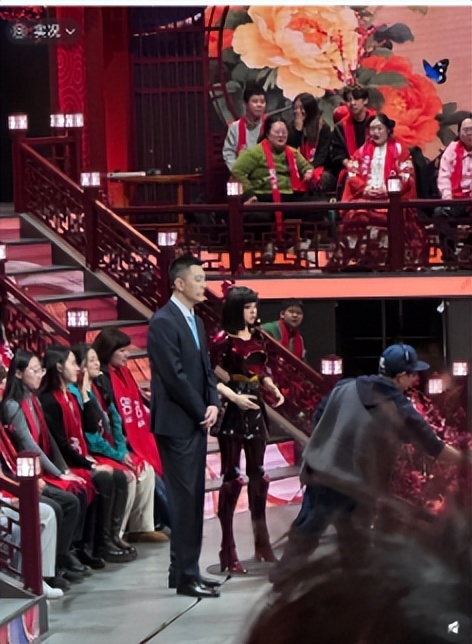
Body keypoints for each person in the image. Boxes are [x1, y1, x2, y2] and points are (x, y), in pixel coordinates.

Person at [270, 343, 468, 589]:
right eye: (412, 374)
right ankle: (345, 591)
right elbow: (434, 447)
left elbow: (318, 416)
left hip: (320, 472)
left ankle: (284, 583)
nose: (415, 380)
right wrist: (465, 460)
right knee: (353, 543)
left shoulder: (344, 386)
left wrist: (329, 446)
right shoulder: (400, 408)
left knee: (309, 532)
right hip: (354, 486)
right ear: (401, 376)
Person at [147, 254, 221, 598]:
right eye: (198, 279)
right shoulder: (163, 322)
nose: (204, 285)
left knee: (193, 498)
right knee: (185, 499)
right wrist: (200, 409)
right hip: (177, 422)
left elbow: (206, 369)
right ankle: (186, 575)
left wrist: (213, 402)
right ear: (179, 283)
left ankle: (184, 571)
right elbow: (174, 377)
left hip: (195, 419)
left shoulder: (197, 321)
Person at [0, 349, 90, 585]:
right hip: (23, 475)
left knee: (75, 495)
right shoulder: (12, 406)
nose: (40, 375)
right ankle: (50, 570)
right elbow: (28, 445)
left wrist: (63, 470)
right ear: (18, 374)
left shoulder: (33, 398)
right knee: (59, 506)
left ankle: (67, 556)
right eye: (34, 370)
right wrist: (57, 473)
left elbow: (48, 439)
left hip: (30, 472)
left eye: (40, 369)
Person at [211, 286, 284, 574]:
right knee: (232, 479)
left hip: (255, 405)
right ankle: (227, 549)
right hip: (233, 409)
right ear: (236, 309)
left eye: (255, 307)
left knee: (259, 476)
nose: (254, 312)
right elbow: (211, 373)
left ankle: (262, 543)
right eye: (248, 307)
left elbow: (262, 370)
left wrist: (271, 386)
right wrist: (232, 396)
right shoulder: (222, 339)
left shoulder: (258, 337)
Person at [39, 345, 134, 564]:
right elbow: (62, 446)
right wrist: (90, 465)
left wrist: (84, 392)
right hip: (66, 463)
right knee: (103, 478)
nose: (78, 369)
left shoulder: (72, 396)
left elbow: (91, 426)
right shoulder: (50, 401)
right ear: (59, 367)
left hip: (79, 456)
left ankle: (108, 539)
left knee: (119, 476)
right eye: (73, 364)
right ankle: (88, 546)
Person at [91, 328, 170, 542]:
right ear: (108, 351)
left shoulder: (122, 373)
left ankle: (145, 526)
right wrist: (121, 445)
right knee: (141, 469)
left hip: (127, 437)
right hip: (112, 443)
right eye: (122, 351)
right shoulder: (101, 380)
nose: (127, 355)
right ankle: (172, 521)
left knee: (151, 465)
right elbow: (108, 420)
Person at [338, 113, 426, 265]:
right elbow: (352, 175)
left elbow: (407, 176)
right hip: (366, 198)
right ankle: (357, 258)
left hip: (390, 200)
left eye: (379, 128)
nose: (375, 133)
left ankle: (390, 259)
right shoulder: (361, 152)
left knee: (397, 217)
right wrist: (365, 189)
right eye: (372, 129)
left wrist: (388, 190)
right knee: (356, 216)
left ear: (388, 129)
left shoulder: (399, 150)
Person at [232, 116, 315, 243]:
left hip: (289, 196)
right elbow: (237, 171)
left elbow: (307, 167)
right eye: (277, 132)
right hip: (265, 197)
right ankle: (265, 246)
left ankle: (305, 243)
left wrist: (308, 172)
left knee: (317, 206)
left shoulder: (292, 152)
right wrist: (249, 194)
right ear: (267, 134)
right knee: (258, 216)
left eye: (284, 132)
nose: (281, 135)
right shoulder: (255, 152)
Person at [0, 464, 63, 599]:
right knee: (16, 528)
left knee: (46, 512)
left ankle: (39, 579)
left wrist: (10, 500)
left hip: (3, 504)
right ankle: (19, 581)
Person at [433, 115, 472, 262]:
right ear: (459, 133)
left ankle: (467, 249)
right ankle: (449, 258)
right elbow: (444, 176)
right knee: (440, 213)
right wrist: (448, 199)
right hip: (457, 200)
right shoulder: (452, 150)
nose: (469, 133)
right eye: (466, 130)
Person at [287, 93, 335, 196]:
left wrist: (309, 169)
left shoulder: (322, 127)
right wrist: (298, 130)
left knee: (323, 178)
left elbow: (322, 155)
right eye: (295, 108)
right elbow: (291, 150)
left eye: (301, 108)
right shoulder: (290, 128)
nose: (297, 111)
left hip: (317, 167)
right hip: (296, 168)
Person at [329, 85, 375, 191]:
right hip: (351, 168)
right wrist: (348, 163)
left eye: (356, 99)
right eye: (349, 100)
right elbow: (337, 154)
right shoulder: (340, 127)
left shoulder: (376, 123)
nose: (352, 103)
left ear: (365, 100)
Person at [222, 85, 267, 173]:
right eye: (255, 101)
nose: (259, 105)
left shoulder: (270, 125)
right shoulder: (235, 127)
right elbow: (228, 153)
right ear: (245, 104)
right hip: (241, 173)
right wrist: (238, 171)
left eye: (262, 102)